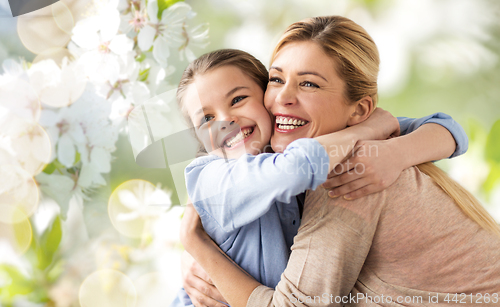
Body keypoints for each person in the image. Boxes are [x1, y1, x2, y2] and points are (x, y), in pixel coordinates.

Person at [180, 16, 500, 307]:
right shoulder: (220, 172)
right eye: (277, 80)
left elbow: (447, 127)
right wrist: (372, 130)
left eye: (309, 83)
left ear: (359, 110)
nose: (283, 97)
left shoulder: (354, 173)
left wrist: (202, 251)